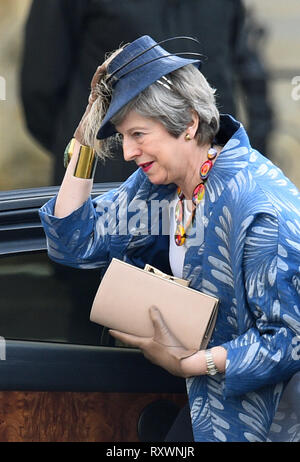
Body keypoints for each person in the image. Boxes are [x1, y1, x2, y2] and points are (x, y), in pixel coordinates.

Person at [39, 35, 300, 442]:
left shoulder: (260, 206)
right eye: (122, 136)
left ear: (189, 123)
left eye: (138, 134)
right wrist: (86, 139)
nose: (127, 152)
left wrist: (191, 364)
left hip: (261, 424)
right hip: (201, 407)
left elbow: (289, 339)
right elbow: (74, 242)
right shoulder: (160, 186)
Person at [20, 0, 273, 185]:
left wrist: (246, 152)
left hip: (210, 184)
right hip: (110, 188)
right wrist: (93, 151)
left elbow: (245, 68)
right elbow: (41, 89)